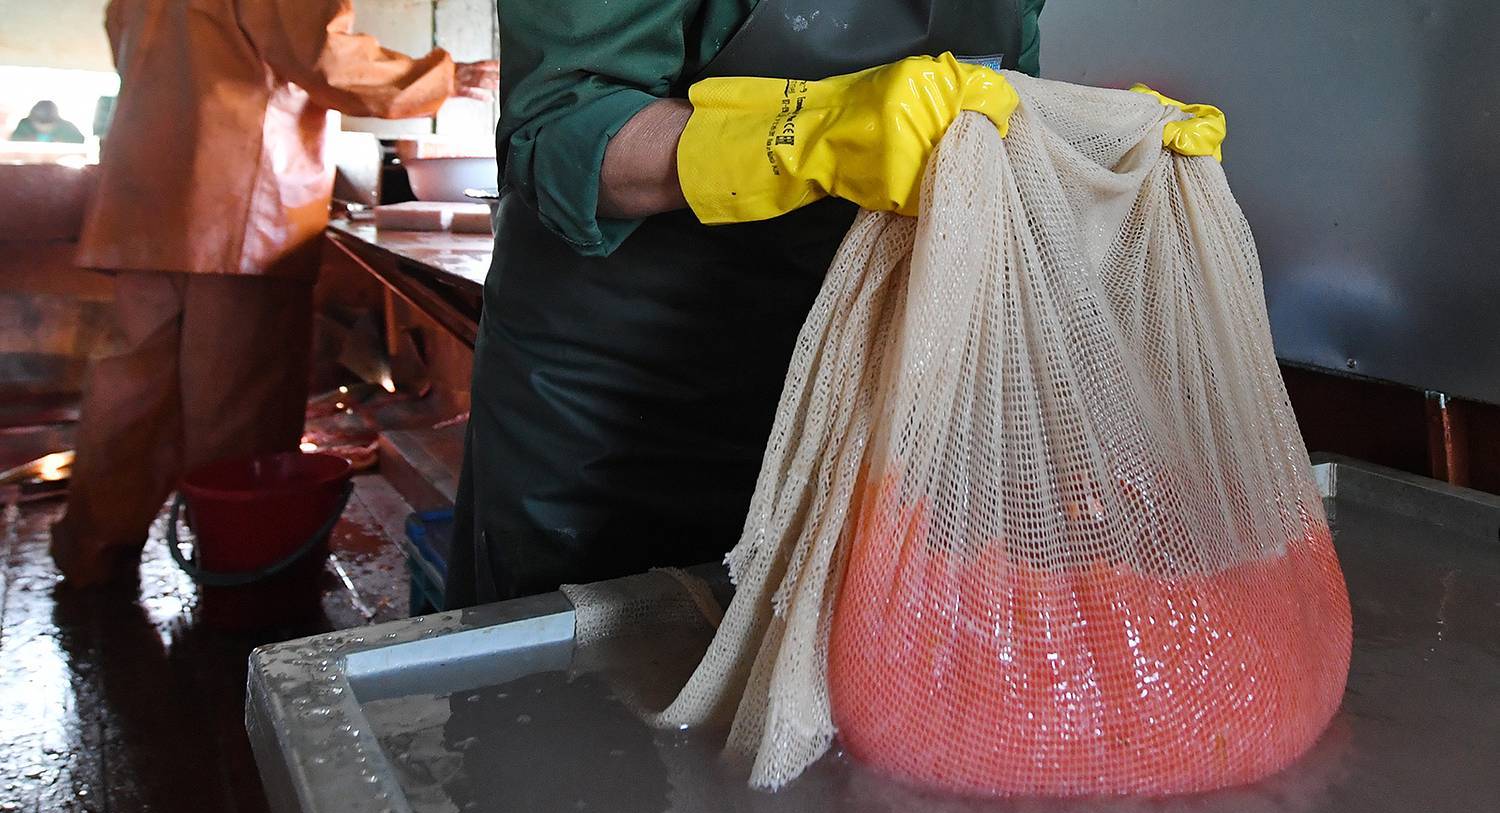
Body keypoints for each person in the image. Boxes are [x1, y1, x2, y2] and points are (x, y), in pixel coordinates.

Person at [446, 0, 1044, 606]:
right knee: (594, 663)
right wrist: (812, 135)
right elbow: (561, 130)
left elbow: (1002, 101)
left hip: (858, 388)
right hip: (617, 398)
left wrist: (1090, 140)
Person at [51, 0, 499, 587]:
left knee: (134, 395)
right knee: (239, 409)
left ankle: (92, 556)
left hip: (145, 196)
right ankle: (244, 576)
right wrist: (448, 77)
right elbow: (319, 55)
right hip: (238, 202)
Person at [9, 100, 86, 143]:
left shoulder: (67, 126)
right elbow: (13, 139)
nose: (43, 128)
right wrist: (28, 140)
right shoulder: (24, 124)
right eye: (39, 123)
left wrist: (60, 142)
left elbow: (80, 140)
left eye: (48, 125)